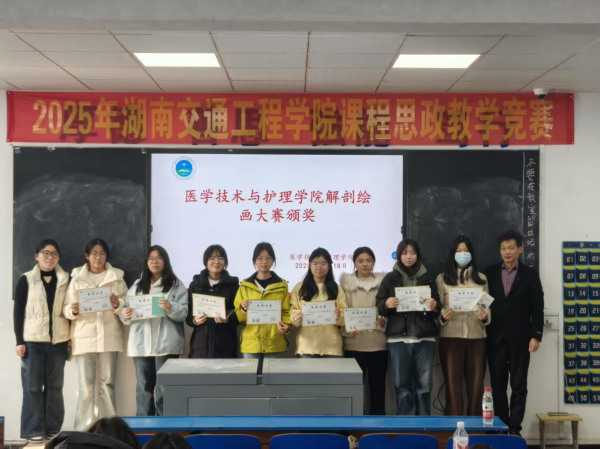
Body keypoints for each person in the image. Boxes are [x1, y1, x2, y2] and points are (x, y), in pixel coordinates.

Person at [63, 238, 128, 431]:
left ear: (107, 256)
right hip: (84, 336)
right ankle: (83, 430)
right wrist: (73, 310)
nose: (98, 257)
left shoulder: (117, 278)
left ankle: (110, 430)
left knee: (108, 384)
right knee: (85, 387)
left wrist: (118, 305)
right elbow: (66, 307)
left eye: (102, 253)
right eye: (94, 253)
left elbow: (128, 306)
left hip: (110, 336)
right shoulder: (77, 278)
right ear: (87, 256)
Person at [485, 230, 544, 436]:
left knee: (519, 386)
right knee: (498, 386)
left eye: (511, 248)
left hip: (521, 340)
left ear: (520, 249)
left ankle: (515, 428)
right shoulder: (490, 273)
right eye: (503, 248)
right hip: (495, 339)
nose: (507, 252)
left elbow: (537, 308)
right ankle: (502, 426)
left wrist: (536, 335)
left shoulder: (530, 275)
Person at [13, 239, 70, 443]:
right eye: (46, 253)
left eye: (54, 254)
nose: (50, 257)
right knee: (32, 387)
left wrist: (71, 338)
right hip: (33, 342)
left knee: (55, 387)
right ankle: (33, 429)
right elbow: (18, 311)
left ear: (59, 257)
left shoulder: (66, 280)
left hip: (59, 342)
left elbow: (71, 309)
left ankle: (53, 429)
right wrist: (19, 341)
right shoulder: (26, 279)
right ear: (37, 256)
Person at [121, 245, 188, 416]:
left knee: (164, 388)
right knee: (143, 388)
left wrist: (170, 307)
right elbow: (125, 312)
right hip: (141, 344)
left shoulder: (176, 285)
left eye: (159, 258)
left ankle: (164, 425)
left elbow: (184, 313)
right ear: (146, 262)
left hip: (167, 344)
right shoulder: (137, 285)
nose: (155, 262)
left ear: (165, 261)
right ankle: (144, 425)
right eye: (151, 258)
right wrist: (125, 313)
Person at [376, 239, 440, 416]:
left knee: (424, 386)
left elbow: (438, 306)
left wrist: (435, 306)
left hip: (425, 339)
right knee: (402, 386)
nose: (408, 257)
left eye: (412, 253)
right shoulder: (390, 278)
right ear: (398, 256)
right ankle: (405, 424)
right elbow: (379, 304)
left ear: (418, 255)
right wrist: (386, 303)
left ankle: (424, 425)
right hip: (398, 340)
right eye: (404, 253)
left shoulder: (428, 278)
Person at [436, 235, 490, 417]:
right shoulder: (442, 279)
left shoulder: (481, 279)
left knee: (476, 386)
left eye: (466, 250)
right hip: (450, 337)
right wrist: (443, 316)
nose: (463, 254)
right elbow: (437, 307)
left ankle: (475, 427)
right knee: (453, 386)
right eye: (459, 251)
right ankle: (453, 426)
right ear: (453, 254)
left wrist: (485, 317)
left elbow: (487, 307)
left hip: (477, 337)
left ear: (472, 253)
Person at [340, 247, 387, 415]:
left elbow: (389, 309)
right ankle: (356, 425)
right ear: (354, 263)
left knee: (378, 388)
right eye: (360, 261)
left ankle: (378, 424)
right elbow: (341, 311)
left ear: (374, 262)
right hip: (354, 344)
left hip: (378, 343)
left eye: (369, 260)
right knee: (355, 389)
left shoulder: (384, 283)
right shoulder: (345, 286)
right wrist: (348, 328)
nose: (365, 264)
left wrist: (383, 321)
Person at [234, 242, 291, 360]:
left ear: (273, 260)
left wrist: (287, 326)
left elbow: (286, 312)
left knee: (276, 373)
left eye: (268, 258)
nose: (264, 262)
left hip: (275, 343)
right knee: (250, 373)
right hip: (251, 344)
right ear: (254, 260)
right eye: (260, 258)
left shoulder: (282, 285)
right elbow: (237, 316)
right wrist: (243, 309)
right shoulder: (245, 285)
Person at [290, 248, 347, 358]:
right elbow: (293, 311)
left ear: (329, 266)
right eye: (315, 263)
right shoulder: (300, 287)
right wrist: (296, 317)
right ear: (309, 265)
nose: (319, 267)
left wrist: (339, 315)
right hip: (306, 346)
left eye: (323, 264)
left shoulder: (337, 288)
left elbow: (345, 315)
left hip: (332, 346)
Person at [187, 245, 240, 359]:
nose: (216, 261)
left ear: (225, 261)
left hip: (225, 345)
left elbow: (238, 314)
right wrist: (195, 320)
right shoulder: (195, 284)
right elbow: (188, 314)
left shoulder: (233, 285)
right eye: (212, 258)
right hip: (200, 345)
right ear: (206, 261)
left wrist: (227, 318)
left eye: (220, 258)